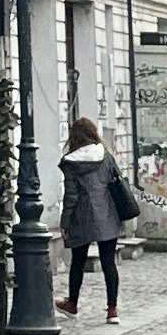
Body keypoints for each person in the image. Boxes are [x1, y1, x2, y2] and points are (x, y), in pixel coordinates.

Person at [58, 116, 134, 320]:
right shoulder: (106, 156)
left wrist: (65, 221)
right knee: (109, 262)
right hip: (107, 213)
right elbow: (116, 181)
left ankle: (72, 303)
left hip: (82, 216)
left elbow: (71, 196)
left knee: (78, 262)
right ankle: (112, 309)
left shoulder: (71, 162)